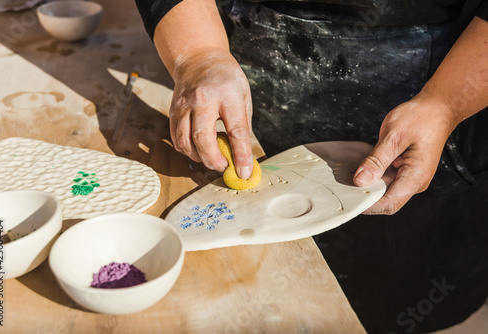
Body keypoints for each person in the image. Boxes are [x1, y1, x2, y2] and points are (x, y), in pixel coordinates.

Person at [135, 0, 488, 332]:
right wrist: (200, 55)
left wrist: (445, 103)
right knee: (260, 300)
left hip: (447, 70)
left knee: (399, 303)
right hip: (250, 60)